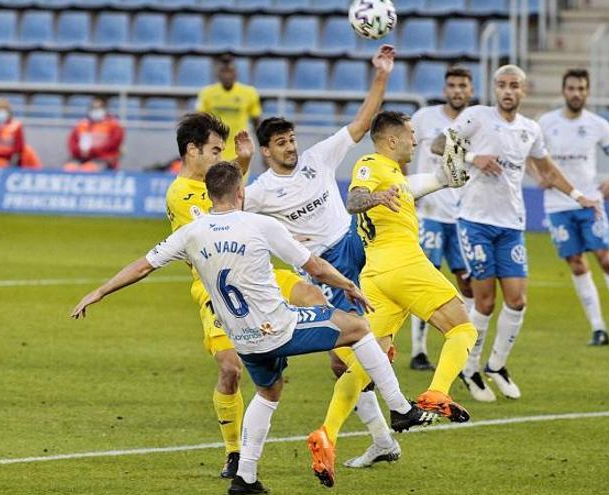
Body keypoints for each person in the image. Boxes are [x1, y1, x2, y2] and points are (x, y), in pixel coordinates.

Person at [71, 162, 439, 495]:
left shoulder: (191, 233)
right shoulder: (261, 225)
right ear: (240, 192)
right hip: (280, 328)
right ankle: (400, 408)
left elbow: (142, 266)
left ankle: (245, 477)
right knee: (357, 327)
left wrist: (99, 292)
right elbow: (315, 267)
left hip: (243, 340)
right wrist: (348, 285)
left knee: (268, 391)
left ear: (209, 195)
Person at [244, 45, 406, 474]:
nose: (291, 147)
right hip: (320, 268)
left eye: (292, 139)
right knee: (340, 358)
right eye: (281, 143)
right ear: (266, 151)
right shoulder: (260, 191)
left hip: (348, 248)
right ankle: (384, 439)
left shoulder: (318, 158)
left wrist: (382, 75)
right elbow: (230, 213)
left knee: (352, 342)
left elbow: (361, 123)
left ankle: (397, 410)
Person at [306, 110, 476, 481]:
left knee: (364, 364)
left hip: (377, 277)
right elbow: (354, 198)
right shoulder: (371, 164)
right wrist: (375, 197)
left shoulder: (393, 174)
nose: (415, 140)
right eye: (411, 134)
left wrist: (445, 179)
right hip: (403, 264)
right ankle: (437, 392)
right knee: (463, 329)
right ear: (392, 139)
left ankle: (326, 435)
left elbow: (412, 186)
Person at [163, 113, 327, 480]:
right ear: (192, 150)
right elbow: (225, 221)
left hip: (256, 276)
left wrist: (244, 162)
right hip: (218, 289)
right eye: (215, 151)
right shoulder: (182, 194)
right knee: (230, 369)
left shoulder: (213, 181)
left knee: (314, 296)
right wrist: (243, 166)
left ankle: (359, 380)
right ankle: (234, 453)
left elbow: (232, 203)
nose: (220, 158)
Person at [431, 65, 598, 400]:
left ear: (524, 90)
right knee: (485, 301)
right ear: (495, 88)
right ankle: (469, 368)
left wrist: (578, 195)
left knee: (518, 301)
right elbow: (438, 144)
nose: (508, 91)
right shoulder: (477, 117)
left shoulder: (530, 129)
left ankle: (496, 365)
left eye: (514, 86)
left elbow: (547, 168)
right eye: (502, 85)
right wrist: (474, 157)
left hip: (512, 225)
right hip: (475, 222)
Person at [537, 69, 609, 347]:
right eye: (571, 88)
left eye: (581, 89)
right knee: (576, 263)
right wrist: (536, 176)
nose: (576, 93)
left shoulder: (598, 124)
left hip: (590, 201)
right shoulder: (546, 123)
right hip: (557, 205)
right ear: (563, 91)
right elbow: (528, 154)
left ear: (587, 92)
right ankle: (598, 328)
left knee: (605, 259)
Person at [408, 65, 476, 376]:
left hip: (464, 214)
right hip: (430, 213)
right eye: (452, 85)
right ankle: (419, 350)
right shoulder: (424, 118)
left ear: (471, 90)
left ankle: (466, 346)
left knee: (468, 280)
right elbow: (404, 151)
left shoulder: (477, 121)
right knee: (427, 279)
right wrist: (408, 188)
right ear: (445, 89)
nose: (457, 91)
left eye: (462, 85)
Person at [197, 54, 262, 162]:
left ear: (236, 73)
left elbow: (257, 123)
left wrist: (264, 148)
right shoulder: (207, 93)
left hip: (240, 152)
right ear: (218, 73)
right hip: (214, 152)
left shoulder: (249, 93)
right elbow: (200, 123)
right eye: (223, 71)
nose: (227, 75)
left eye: (230, 71)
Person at [64, 97, 125, 172]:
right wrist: (81, 152)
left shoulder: (114, 125)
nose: (96, 110)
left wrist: (91, 151)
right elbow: (72, 143)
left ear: (104, 109)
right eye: (93, 108)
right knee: (69, 168)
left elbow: (113, 144)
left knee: (88, 169)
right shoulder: (81, 124)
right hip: (80, 158)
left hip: (103, 159)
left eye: (98, 108)